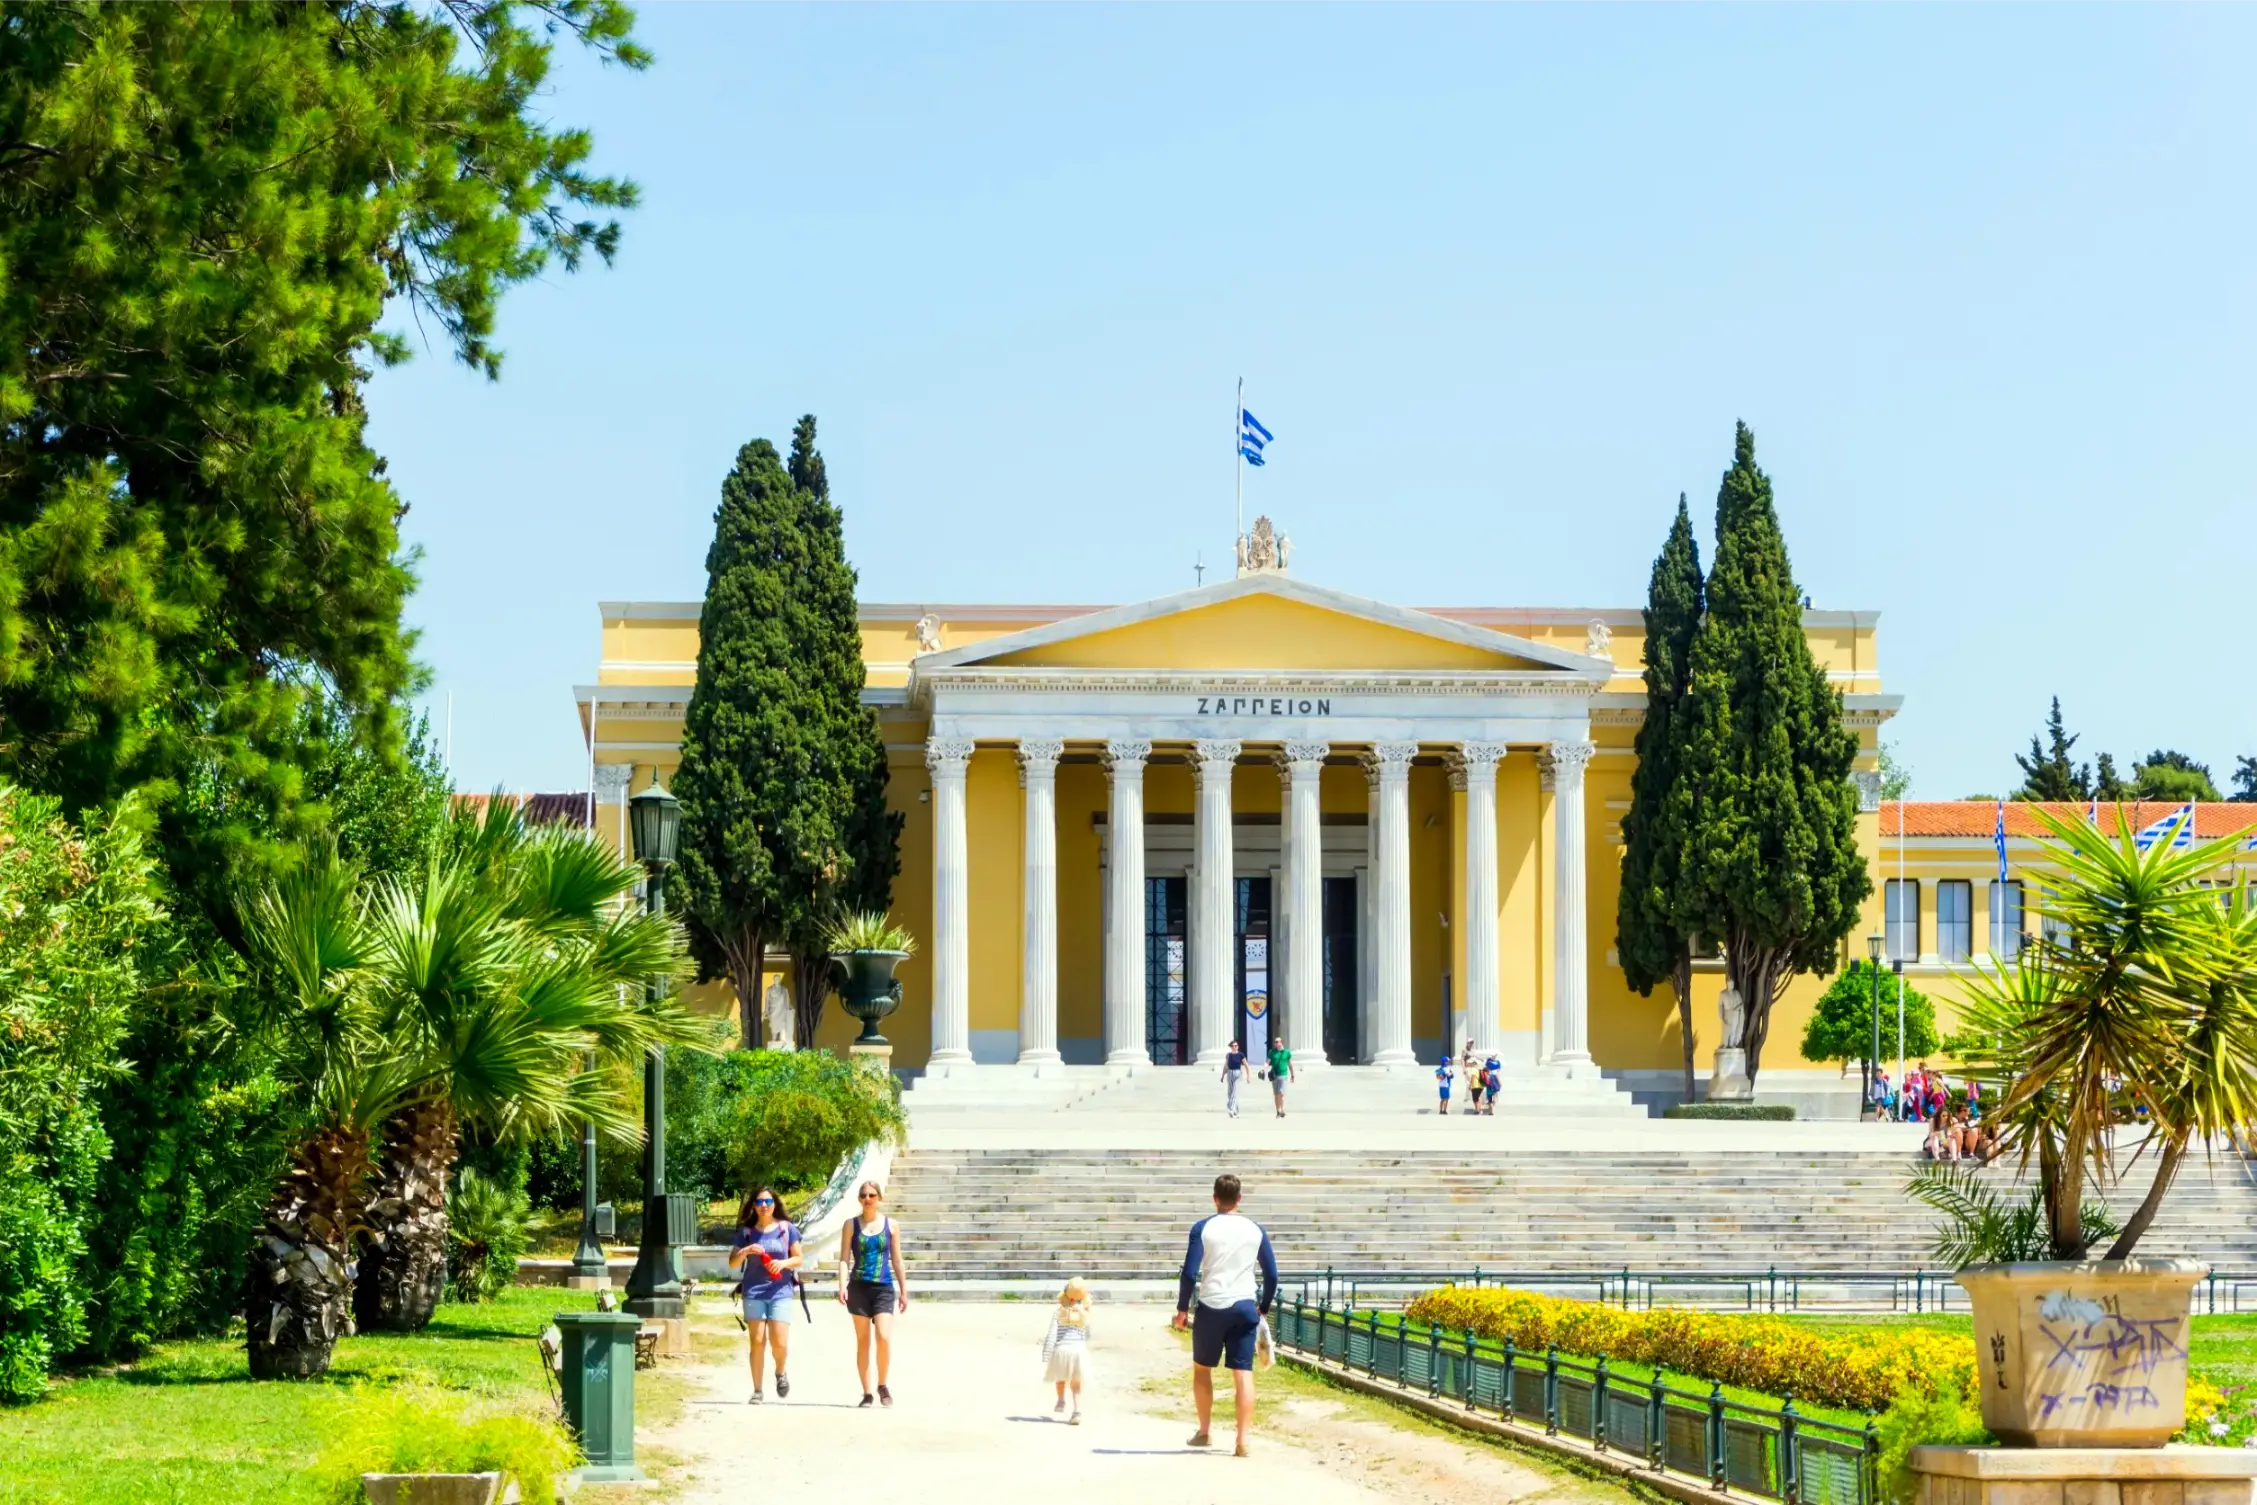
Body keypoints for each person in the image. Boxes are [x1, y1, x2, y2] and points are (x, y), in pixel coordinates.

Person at [1172, 1173, 1278, 1458]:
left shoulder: (1202, 1228)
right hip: (1244, 1306)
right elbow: (1271, 1274)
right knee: (1242, 1372)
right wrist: (1264, 1307)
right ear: (1239, 1199)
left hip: (1211, 1305)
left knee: (1202, 1368)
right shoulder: (1255, 1230)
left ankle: (1205, 1430)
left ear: (1215, 1198)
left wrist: (1182, 1309)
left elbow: (1190, 1274)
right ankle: (1242, 1440)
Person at [726, 1186, 803, 1405]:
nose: (764, 1206)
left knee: (779, 1343)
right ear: (753, 1206)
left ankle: (780, 1371)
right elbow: (732, 1263)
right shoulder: (746, 1232)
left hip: (780, 1291)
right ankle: (757, 1390)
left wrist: (783, 1263)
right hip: (754, 1291)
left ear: (775, 1204)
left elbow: (798, 1258)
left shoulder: (787, 1229)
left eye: (768, 1202)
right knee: (757, 1341)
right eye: (759, 1202)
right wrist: (747, 1250)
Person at [835, 1180, 907, 1408]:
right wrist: (842, 1285)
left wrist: (904, 1291)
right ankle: (867, 1392)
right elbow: (844, 1258)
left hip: (884, 1287)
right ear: (859, 1199)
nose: (867, 1199)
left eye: (872, 1195)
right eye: (864, 1195)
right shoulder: (850, 1225)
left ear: (879, 1198)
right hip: (858, 1287)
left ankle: (882, 1384)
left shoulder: (891, 1225)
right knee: (863, 1341)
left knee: (884, 1337)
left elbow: (896, 1259)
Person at [1040, 1277, 1093, 1424]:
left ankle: (1061, 1399)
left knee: (1060, 1377)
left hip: (1062, 1349)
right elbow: (1087, 1335)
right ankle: (1077, 1411)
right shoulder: (1083, 1315)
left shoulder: (1058, 1313)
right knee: (1076, 1383)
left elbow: (1052, 1334)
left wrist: (1047, 1352)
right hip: (1078, 1350)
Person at [1266, 1037, 1293, 1119]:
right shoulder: (1271, 1052)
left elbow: (1290, 1064)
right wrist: (1264, 1069)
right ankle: (1278, 1111)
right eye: (1275, 1042)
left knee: (1281, 1093)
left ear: (1281, 1042)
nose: (1276, 1043)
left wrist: (1293, 1074)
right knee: (1276, 1094)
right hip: (1274, 1075)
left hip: (1283, 1075)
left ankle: (1281, 1109)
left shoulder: (1286, 1053)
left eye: (1277, 1042)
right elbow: (1267, 1062)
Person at [1222, 1038, 1249, 1118]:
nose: (1234, 1047)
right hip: (1230, 1073)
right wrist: (1223, 1075)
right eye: (1233, 1046)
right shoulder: (1228, 1055)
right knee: (1230, 1093)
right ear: (1231, 1047)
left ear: (1238, 1047)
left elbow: (1246, 1065)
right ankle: (1236, 1110)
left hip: (1237, 1073)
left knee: (1234, 1092)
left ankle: (1231, 1109)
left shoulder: (1241, 1055)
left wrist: (1248, 1076)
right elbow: (1226, 1066)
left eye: (1236, 1046)